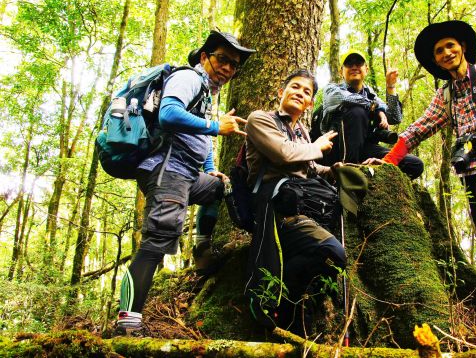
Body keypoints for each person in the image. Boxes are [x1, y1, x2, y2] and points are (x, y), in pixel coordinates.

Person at [365, 20, 476, 352]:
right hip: (474, 177)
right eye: (439, 51)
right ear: (436, 61)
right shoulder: (445, 94)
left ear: (462, 47)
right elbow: (416, 130)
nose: (446, 53)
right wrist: (387, 162)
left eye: (450, 46)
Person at [116, 31, 255, 334]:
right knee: (155, 244)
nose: (228, 68)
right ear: (205, 57)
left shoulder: (206, 93)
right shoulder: (189, 78)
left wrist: (211, 169)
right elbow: (168, 114)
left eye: (234, 64)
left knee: (221, 187)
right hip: (168, 171)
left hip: (187, 174)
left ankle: (202, 252)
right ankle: (128, 321)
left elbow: (199, 140)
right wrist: (216, 126)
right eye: (222, 59)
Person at [244, 69, 346, 335]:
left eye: (307, 92)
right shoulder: (260, 120)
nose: (300, 94)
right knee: (334, 252)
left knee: (322, 260)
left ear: (310, 103)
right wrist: (319, 146)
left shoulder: (301, 133)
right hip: (276, 208)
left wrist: (335, 169)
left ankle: (284, 305)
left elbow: (311, 169)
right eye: (295, 87)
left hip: (306, 207)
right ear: (281, 92)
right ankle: (269, 297)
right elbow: (284, 154)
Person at [319, 50, 423, 179]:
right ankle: (347, 175)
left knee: (414, 164)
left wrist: (391, 86)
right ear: (341, 72)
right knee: (357, 111)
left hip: (365, 148)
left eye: (359, 63)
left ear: (366, 69)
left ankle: (369, 180)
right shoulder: (332, 90)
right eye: (349, 64)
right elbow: (348, 100)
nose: (354, 67)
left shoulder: (371, 95)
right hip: (335, 148)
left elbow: (395, 117)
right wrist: (376, 108)